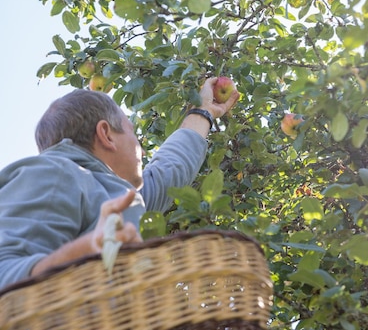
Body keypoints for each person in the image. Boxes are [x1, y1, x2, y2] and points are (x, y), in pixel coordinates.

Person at [0, 77, 239, 290]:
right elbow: (6, 271)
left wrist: (204, 110)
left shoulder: (117, 196)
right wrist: (83, 255)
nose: (141, 149)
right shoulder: (54, 173)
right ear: (106, 134)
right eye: (132, 133)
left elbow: (172, 168)